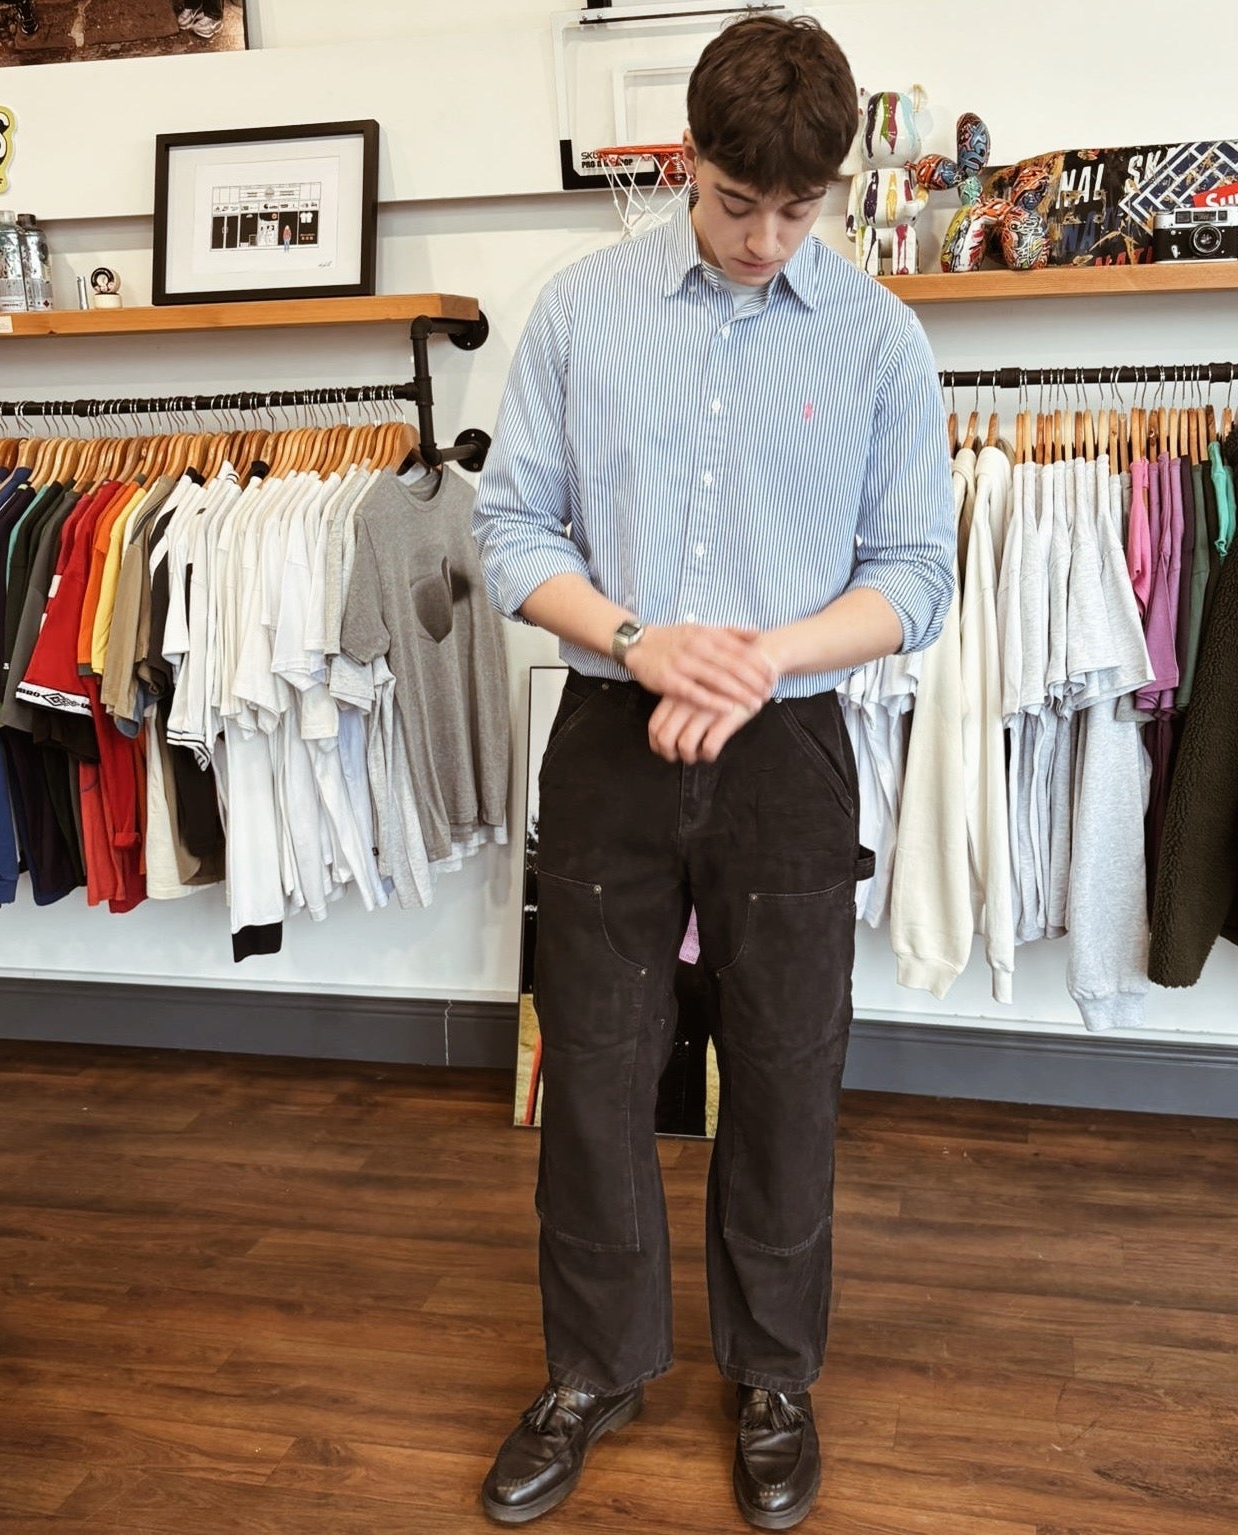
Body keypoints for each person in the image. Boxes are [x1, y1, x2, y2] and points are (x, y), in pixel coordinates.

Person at [472, 14, 953, 1529]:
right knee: (594, 1072)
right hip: (611, 735)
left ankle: (774, 1378)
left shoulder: (880, 338)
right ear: (689, 160)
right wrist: (641, 640)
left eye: (797, 211)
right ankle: (593, 1370)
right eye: (739, 202)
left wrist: (761, 657)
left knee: (789, 1075)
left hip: (788, 751)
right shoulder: (580, 313)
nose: (763, 240)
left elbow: (917, 576)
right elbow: (511, 530)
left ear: (834, 190)